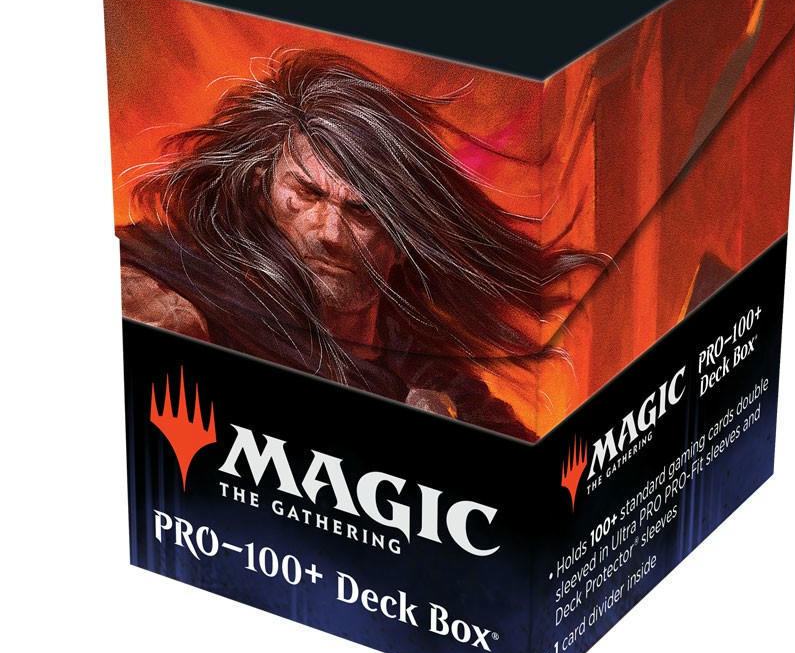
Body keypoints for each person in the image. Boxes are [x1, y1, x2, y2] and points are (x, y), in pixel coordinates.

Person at [119, 50, 601, 439]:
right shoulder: (186, 286)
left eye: (362, 211)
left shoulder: (435, 378)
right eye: (307, 193)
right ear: (263, 190)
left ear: (403, 239)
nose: (329, 232)